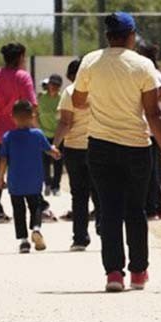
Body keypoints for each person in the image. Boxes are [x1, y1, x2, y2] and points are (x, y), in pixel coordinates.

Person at [73, 12, 161, 292]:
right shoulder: (143, 65)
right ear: (131, 35)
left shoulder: (90, 61)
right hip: (136, 146)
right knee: (135, 210)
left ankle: (114, 273)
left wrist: (98, 101)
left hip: (100, 144)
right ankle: (139, 271)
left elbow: (78, 100)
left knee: (108, 210)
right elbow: (153, 112)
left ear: (107, 36)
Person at [0, 43, 38, 224]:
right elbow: (31, 104)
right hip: (18, 133)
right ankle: (33, 207)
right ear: (21, 57)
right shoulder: (23, 77)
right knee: (23, 169)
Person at [0, 100, 61, 254]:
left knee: (18, 210)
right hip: (34, 181)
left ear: (12, 117)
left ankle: (24, 241)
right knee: (36, 206)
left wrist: (0, 178)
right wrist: (55, 152)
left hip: (15, 182)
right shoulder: (37, 135)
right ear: (32, 116)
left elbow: (3, 159)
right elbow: (48, 149)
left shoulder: (8, 137)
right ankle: (36, 228)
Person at [53, 60, 100, 251]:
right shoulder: (99, 90)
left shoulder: (70, 92)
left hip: (74, 149)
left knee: (79, 194)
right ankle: (104, 228)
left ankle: (80, 238)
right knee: (101, 192)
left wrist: (53, 145)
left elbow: (66, 123)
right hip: (99, 145)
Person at [136, 40, 161, 220]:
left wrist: (149, 101)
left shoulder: (150, 72)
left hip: (149, 129)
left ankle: (153, 207)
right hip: (146, 129)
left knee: (148, 172)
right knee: (148, 171)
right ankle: (154, 206)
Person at [38, 74, 64, 197]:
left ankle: (56, 186)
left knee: (58, 161)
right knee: (45, 162)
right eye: (52, 84)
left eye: (56, 85)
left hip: (58, 135)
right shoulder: (41, 97)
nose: (53, 87)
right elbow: (36, 114)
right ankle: (47, 184)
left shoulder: (62, 98)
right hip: (44, 134)